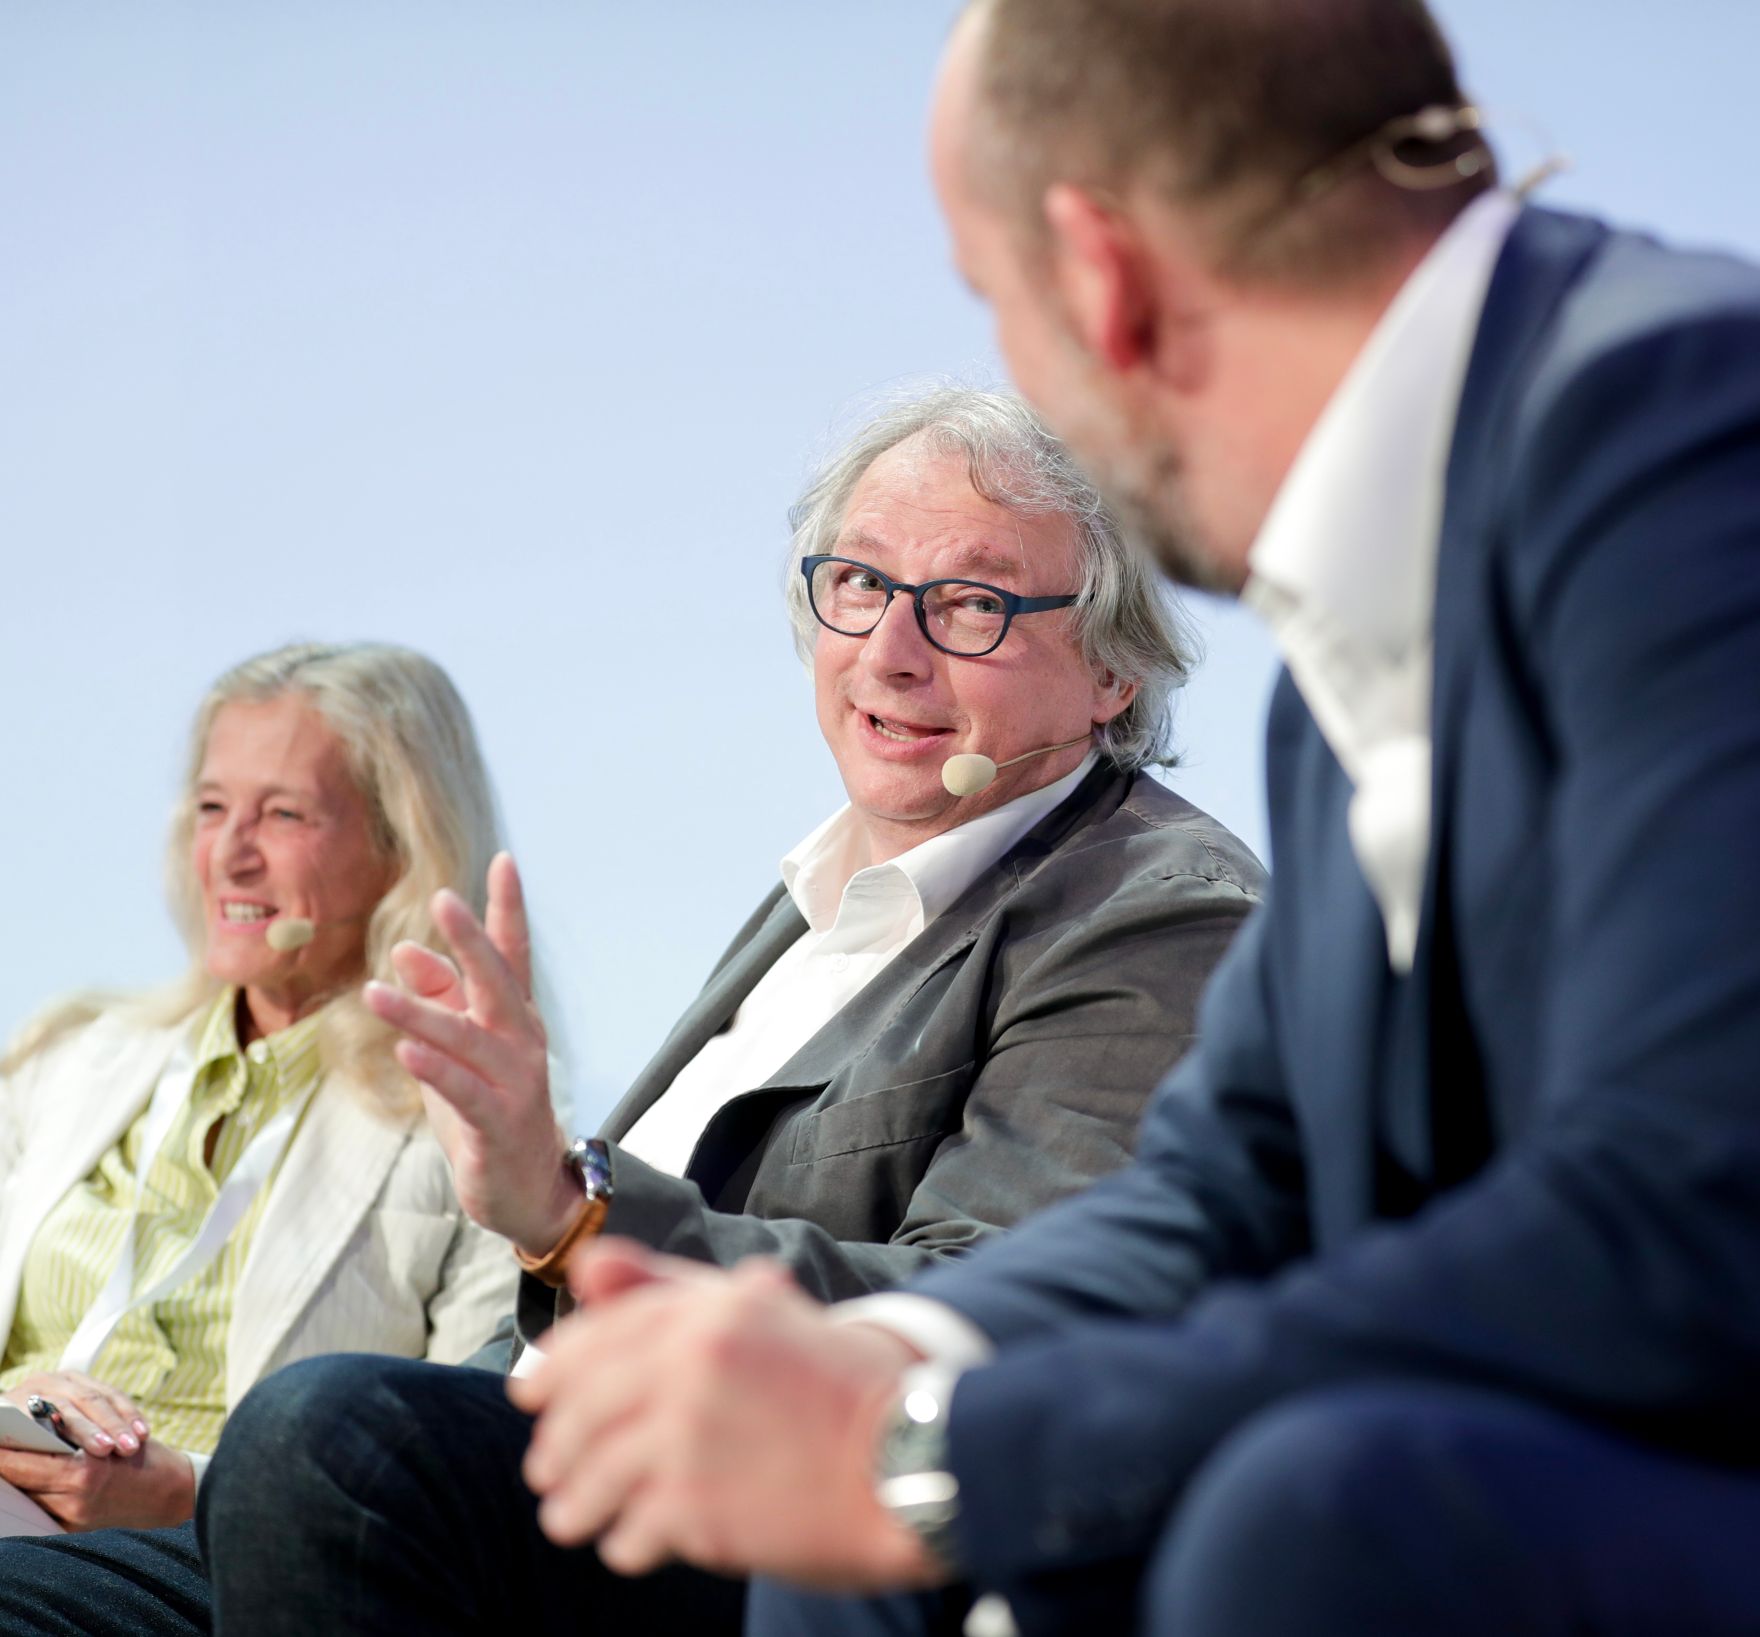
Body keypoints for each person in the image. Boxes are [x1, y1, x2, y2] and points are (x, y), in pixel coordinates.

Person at [393, 3, 1760, 1635]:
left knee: (1302, 1514)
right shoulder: (1345, 666)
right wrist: (871, 1382)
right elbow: (1222, 1195)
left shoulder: (1680, 426)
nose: (895, 651)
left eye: (994, 299)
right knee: (855, 1545)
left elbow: (1686, 1197)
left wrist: (948, 1455)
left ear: (1098, 278)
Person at [18, 387, 1262, 1635]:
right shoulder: (827, 891)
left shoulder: (1153, 911)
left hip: (748, 1516)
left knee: (329, 1431)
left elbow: (981, 1312)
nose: (889, 649)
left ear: (1113, 667)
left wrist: (572, 1210)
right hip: (523, 1472)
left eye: (971, 604)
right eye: (858, 583)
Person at [0, 643, 519, 1604]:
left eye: (283, 814)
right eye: (211, 807)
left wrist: (188, 1491)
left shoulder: (484, 1130)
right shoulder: (59, 1063)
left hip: (216, 1569)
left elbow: (470, 1482)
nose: (229, 853)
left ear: (401, 847)